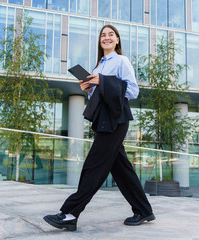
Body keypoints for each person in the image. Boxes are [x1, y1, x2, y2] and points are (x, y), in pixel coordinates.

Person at [43, 25, 155, 231]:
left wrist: (103, 81)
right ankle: (144, 210)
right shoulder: (97, 67)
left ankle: (70, 213)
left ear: (118, 40)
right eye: (103, 35)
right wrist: (88, 88)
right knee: (121, 169)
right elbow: (100, 94)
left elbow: (132, 91)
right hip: (104, 119)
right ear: (100, 41)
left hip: (116, 119)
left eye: (111, 35)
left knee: (94, 166)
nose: (106, 37)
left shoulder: (121, 61)